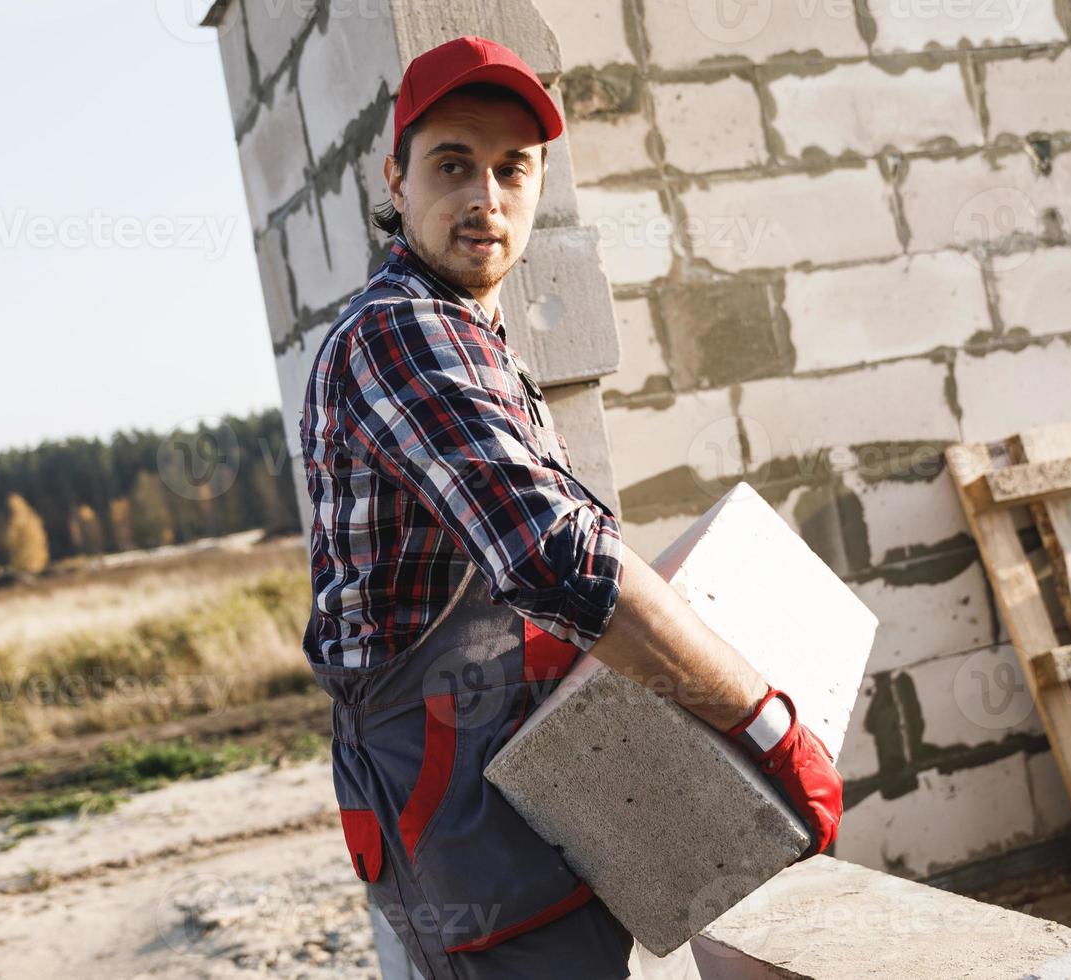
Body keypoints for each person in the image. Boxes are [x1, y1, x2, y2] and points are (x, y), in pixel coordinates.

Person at [297, 34, 843, 980]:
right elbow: (561, 562)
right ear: (395, 176)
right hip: (453, 802)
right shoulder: (404, 335)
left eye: (512, 169)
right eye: (453, 164)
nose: (485, 199)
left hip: (526, 774)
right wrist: (764, 725)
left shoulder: (470, 333)